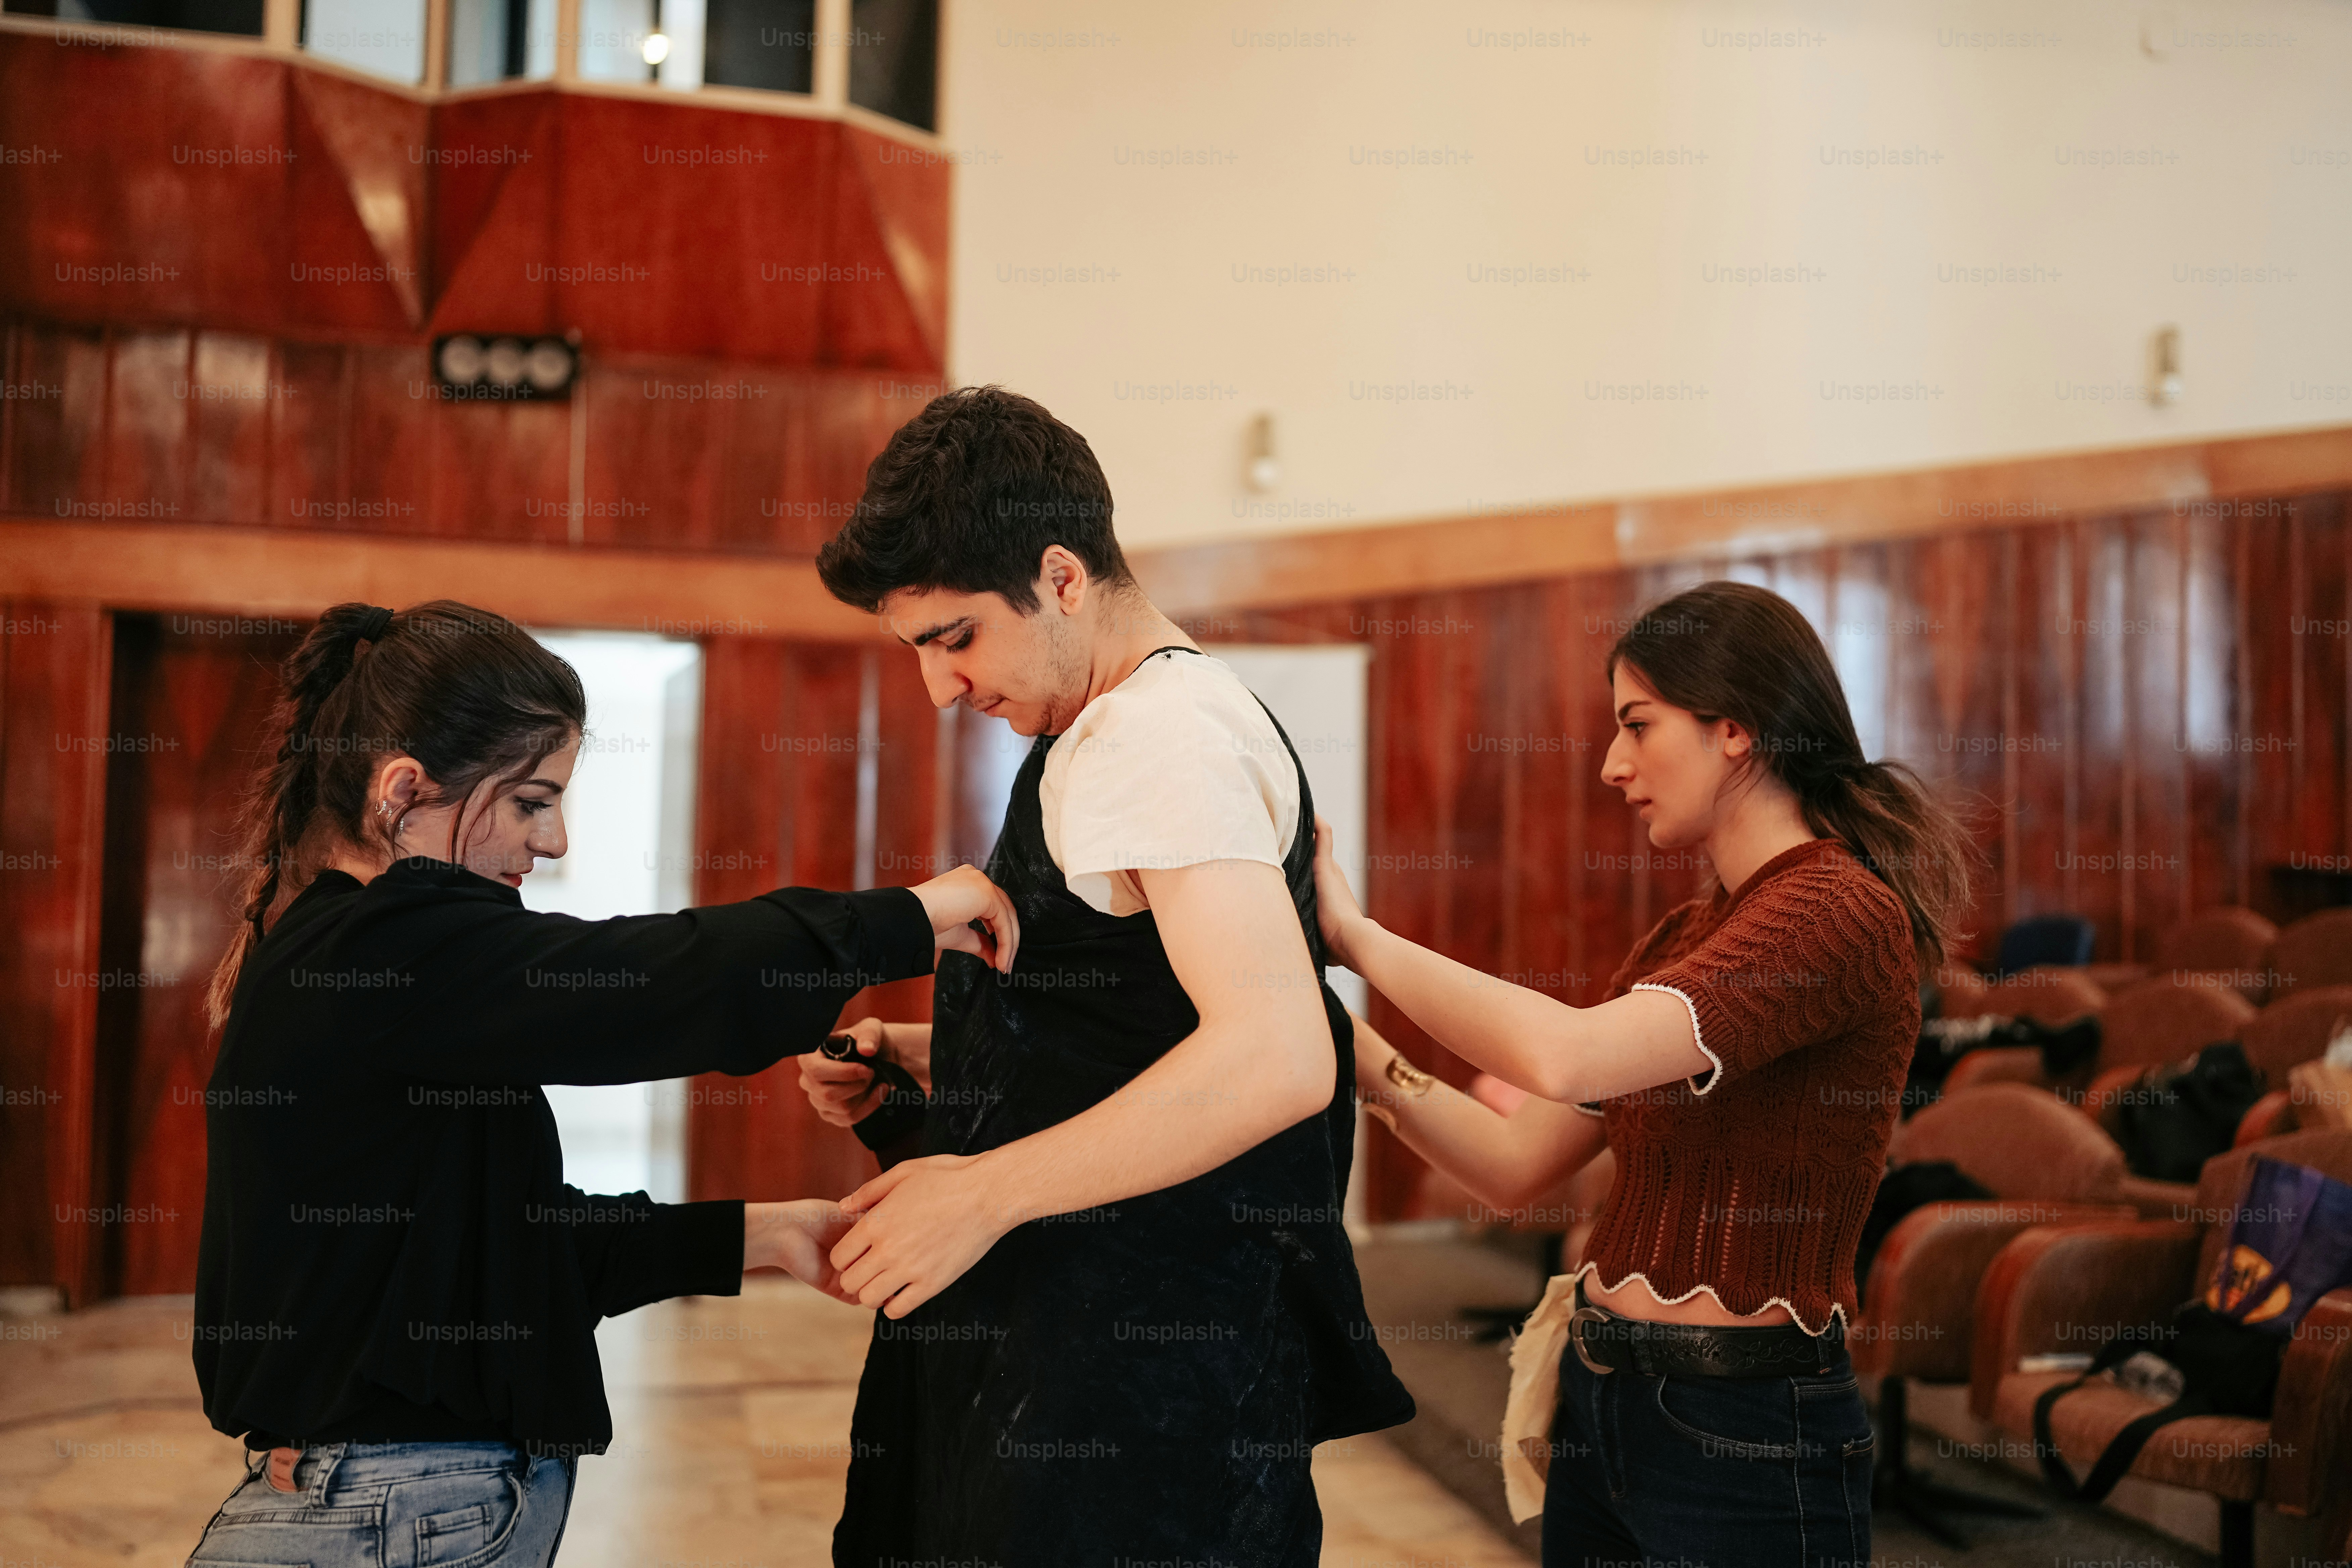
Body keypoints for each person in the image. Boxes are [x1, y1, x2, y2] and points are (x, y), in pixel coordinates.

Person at [185, 600, 1017, 1568]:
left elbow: (501, 1256)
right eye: (532, 802)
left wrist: (768, 1234)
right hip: (384, 1516)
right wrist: (902, 919)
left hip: (397, 1504)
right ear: (402, 793)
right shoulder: (378, 950)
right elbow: (647, 984)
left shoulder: (372, 964)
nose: (556, 842)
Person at [799, 387, 1412, 1566]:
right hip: (1103, 1346)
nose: (939, 690)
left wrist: (978, 1192)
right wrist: (934, 1057)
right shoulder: (1118, 723)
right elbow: (1146, 1021)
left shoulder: (1155, 737)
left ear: (1063, 577)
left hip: (1143, 1374)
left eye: (957, 638)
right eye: (917, 649)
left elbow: (1278, 1054)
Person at [1312, 580, 1977, 1568]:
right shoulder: (1688, 936)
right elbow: (1511, 1160)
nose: (1614, 765)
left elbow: (1564, 1051)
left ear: (1737, 729)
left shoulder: (1839, 912)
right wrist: (1341, 1038)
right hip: (1609, 1398)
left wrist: (1357, 940)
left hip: (1748, 1425)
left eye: (1638, 724)